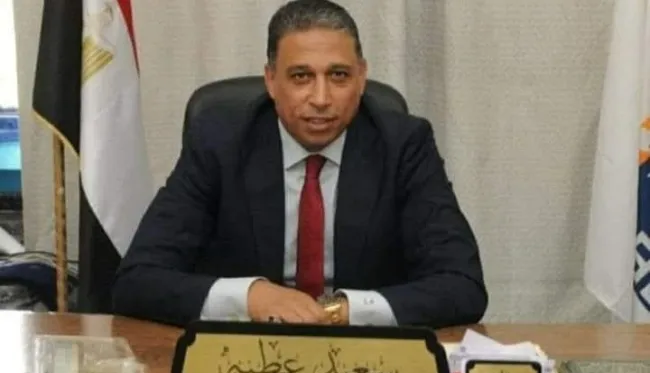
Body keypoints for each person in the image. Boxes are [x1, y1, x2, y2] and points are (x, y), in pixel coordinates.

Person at [113, 0, 487, 328]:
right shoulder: (220, 142)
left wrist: (339, 311)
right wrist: (251, 297)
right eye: (301, 76)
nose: (321, 98)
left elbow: (462, 285)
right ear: (271, 80)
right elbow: (138, 280)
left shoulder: (404, 146)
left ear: (361, 78)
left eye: (338, 75)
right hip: (243, 355)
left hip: (366, 356)